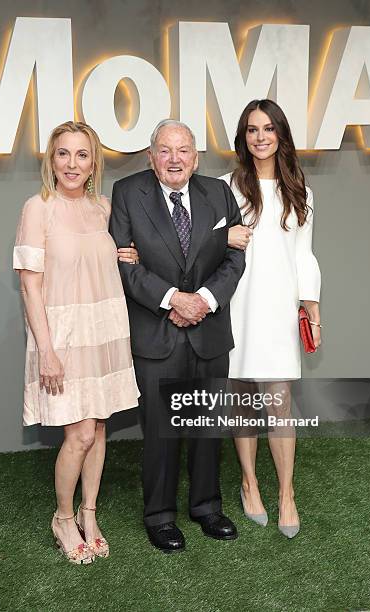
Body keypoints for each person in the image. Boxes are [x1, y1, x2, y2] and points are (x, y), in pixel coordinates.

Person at [109, 119, 246, 553]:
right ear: (151, 156)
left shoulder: (219, 194)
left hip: (209, 331)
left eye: (183, 150)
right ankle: (160, 516)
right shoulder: (128, 192)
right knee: (162, 431)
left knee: (208, 426)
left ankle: (207, 507)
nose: (174, 159)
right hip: (157, 332)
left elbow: (235, 257)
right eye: (165, 150)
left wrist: (203, 299)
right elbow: (125, 264)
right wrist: (173, 300)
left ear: (196, 157)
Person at [13, 121, 140, 564]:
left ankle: (90, 512)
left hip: (104, 332)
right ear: (52, 160)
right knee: (80, 433)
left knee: (99, 426)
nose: (72, 164)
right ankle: (63, 518)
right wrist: (46, 350)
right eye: (63, 154)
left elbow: (114, 262)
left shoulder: (104, 208)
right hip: (62, 339)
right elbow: (31, 287)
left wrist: (133, 255)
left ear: (93, 163)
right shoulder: (38, 209)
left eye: (81, 155)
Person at [220, 99, 321, 538]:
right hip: (237, 303)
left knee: (279, 403)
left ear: (280, 133)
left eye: (267, 129)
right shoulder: (225, 186)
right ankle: (249, 482)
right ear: (242, 137)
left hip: (279, 306)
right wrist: (224, 234)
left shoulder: (300, 188)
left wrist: (311, 303)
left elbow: (303, 252)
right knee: (242, 396)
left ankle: (286, 494)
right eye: (251, 130)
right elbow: (208, 248)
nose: (260, 137)